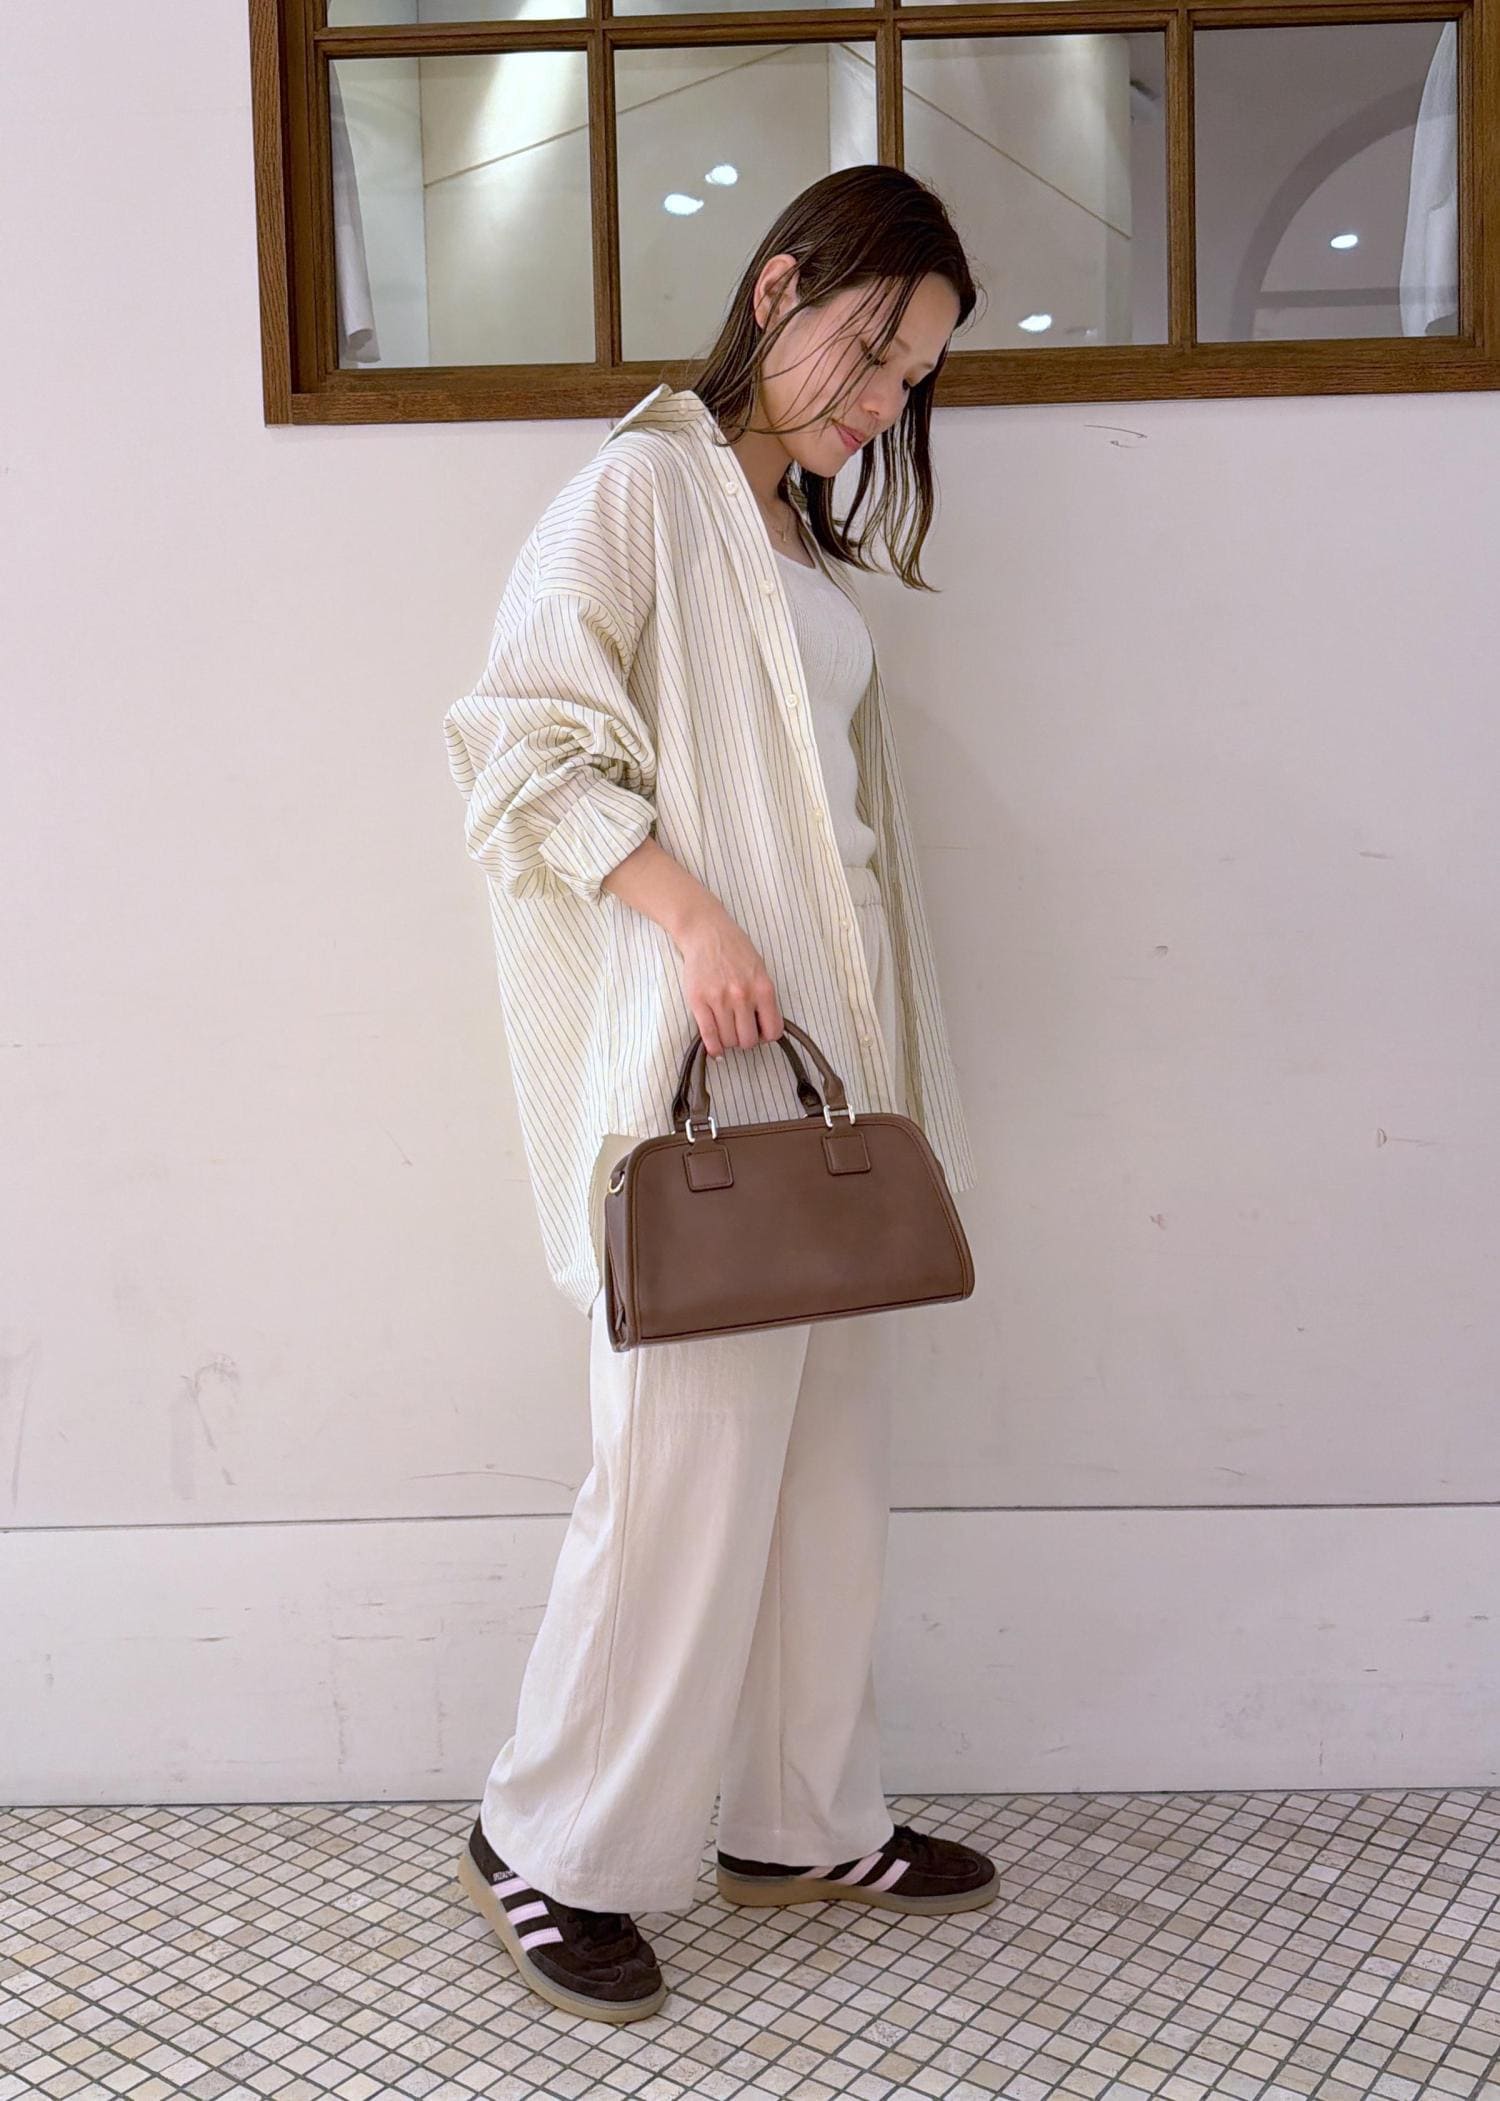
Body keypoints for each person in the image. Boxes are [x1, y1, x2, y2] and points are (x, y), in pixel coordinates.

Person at [444, 163, 995, 2026]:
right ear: (778, 292)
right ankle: (547, 1839)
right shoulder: (642, 492)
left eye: (913, 377)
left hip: (825, 1073)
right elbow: (520, 737)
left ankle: (795, 1817)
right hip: (706, 1056)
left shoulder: (792, 539)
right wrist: (688, 920)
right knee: (677, 1470)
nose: (884, 401)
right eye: (872, 348)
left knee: (824, 1465)